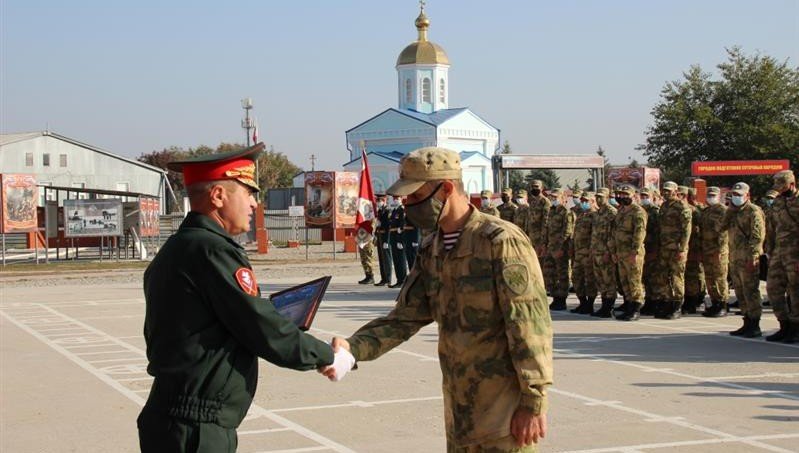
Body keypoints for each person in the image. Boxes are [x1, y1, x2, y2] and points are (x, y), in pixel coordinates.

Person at [326, 147, 553, 452]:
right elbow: (405, 317)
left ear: (446, 188)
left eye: (415, 196)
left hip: (504, 414)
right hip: (460, 411)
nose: (407, 204)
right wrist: (352, 349)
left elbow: (529, 325)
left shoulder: (500, 241)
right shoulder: (432, 247)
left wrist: (533, 402)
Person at [137, 144, 350, 452]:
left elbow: (236, 319)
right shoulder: (212, 250)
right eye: (248, 192)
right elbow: (260, 326)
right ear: (218, 196)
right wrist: (327, 356)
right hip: (195, 429)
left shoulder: (184, 246)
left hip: (181, 418)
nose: (253, 203)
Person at [722, 182, 765, 337]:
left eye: (740, 195)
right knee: (740, 291)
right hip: (735, 257)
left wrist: (754, 257)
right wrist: (729, 211)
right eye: (734, 194)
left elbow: (757, 236)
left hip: (748, 258)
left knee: (750, 291)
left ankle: (755, 324)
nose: (736, 197)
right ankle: (746, 321)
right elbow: (722, 227)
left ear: (747, 195)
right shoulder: (733, 212)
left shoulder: (753, 211)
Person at [765, 170, 799, 343]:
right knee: (773, 288)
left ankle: (795, 327)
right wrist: (769, 251)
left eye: (781, 185)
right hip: (779, 252)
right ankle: (783, 325)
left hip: (795, 253)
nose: (778, 189)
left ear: (791, 184)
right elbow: (771, 227)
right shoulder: (778, 202)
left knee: (795, 290)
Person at [652, 181, 692, 319]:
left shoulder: (682, 206)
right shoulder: (664, 206)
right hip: (664, 248)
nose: (666, 193)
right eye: (664, 190)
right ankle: (667, 302)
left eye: (669, 190)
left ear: (676, 191)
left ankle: (677, 305)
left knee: (676, 277)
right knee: (662, 276)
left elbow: (687, 229)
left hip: (676, 249)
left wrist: (683, 249)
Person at [612, 184, 647, 321]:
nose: (623, 197)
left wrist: (634, 252)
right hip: (620, 252)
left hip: (632, 253)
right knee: (625, 281)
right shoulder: (621, 211)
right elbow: (615, 232)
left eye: (627, 195)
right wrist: (614, 251)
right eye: (621, 194)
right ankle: (628, 305)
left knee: (634, 281)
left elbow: (639, 234)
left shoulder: (638, 212)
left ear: (634, 196)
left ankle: (636, 308)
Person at [700, 187, 730, 317]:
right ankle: (715, 302)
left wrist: (720, 250)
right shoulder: (706, 211)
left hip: (718, 251)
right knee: (709, 278)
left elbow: (724, 233)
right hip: (707, 249)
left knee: (719, 277)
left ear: (719, 196)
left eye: (713, 195)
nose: (711, 197)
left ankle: (722, 304)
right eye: (709, 195)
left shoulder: (723, 211)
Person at [590, 188, 618, 318]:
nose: (598, 199)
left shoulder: (611, 212)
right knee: (600, 280)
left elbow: (612, 235)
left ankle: (609, 307)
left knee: (608, 280)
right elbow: (594, 234)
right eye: (597, 197)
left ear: (607, 197)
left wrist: (609, 251)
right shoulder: (597, 213)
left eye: (601, 197)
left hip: (605, 251)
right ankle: (603, 305)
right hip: (597, 251)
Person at [545, 188, 574, 310]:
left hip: (560, 249)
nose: (553, 199)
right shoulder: (551, 211)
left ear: (563, 198)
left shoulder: (566, 212)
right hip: (550, 248)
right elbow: (548, 230)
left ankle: (561, 299)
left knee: (562, 274)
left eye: (556, 197)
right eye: (552, 197)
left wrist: (560, 248)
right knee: (550, 273)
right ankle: (555, 297)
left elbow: (567, 232)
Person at [570, 192, 598, 314]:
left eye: (586, 200)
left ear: (593, 201)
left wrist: (592, 251)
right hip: (578, 252)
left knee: (589, 279)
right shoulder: (581, 215)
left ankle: (590, 304)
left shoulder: (595, 215)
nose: (583, 202)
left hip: (588, 252)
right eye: (582, 200)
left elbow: (595, 235)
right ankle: (582, 303)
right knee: (576, 277)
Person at [682, 187, 706, 314]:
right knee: (687, 275)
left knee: (696, 274)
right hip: (686, 247)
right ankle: (689, 299)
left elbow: (701, 230)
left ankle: (698, 299)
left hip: (695, 247)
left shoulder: (697, 211)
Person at [639, 187, 661, 315]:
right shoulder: (640, 210)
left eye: (646, 196)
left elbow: (658, 232)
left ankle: (655, 303)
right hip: (644, 248)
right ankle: (648, 302)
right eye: (642, 196)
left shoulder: (655, 211)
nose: (644, 198)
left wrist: (655, 250)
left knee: (654, 277)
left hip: (652, 248)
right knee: (646, 277)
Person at [388, 197, 408, 288]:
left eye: (397, 198)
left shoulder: (402, 210)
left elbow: (402, 225)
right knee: (396, 260)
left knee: (401, 259)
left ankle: (403, 280)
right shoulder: (394, 210)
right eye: (394, 198)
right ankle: (398, 279)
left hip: (398, 237)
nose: (395, 200)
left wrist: (400, 240)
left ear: (401, 199)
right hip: (393, 236)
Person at [375, 194, 393, 286]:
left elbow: (389, 227)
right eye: (377, 201)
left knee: (386, 259)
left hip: (385, 237)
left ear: (384, 200)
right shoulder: (380, 211)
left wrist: (387, 241)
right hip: (380, 236)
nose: (378, 202)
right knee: (381, 259)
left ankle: (388, 279)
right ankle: (383, 279)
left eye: (380, 201)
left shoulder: (388, 211)